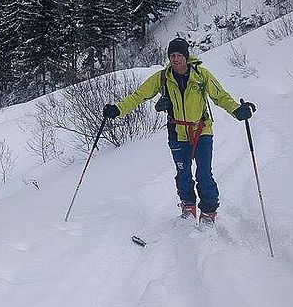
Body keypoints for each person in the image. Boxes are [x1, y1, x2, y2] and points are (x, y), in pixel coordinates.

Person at [102, 37, 255, 224]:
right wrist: (118, 109)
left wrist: (237, 110)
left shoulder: (201, 74)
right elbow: (139, 95)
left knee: (204, 173)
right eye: (172, 55)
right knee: (183, 173)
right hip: (177, 132)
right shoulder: (162, 78)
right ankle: (188, 207)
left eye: (179, 55)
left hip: (201, 130)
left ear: (186, 56)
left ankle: (208, 212)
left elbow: (220, 96)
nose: (176, 59)